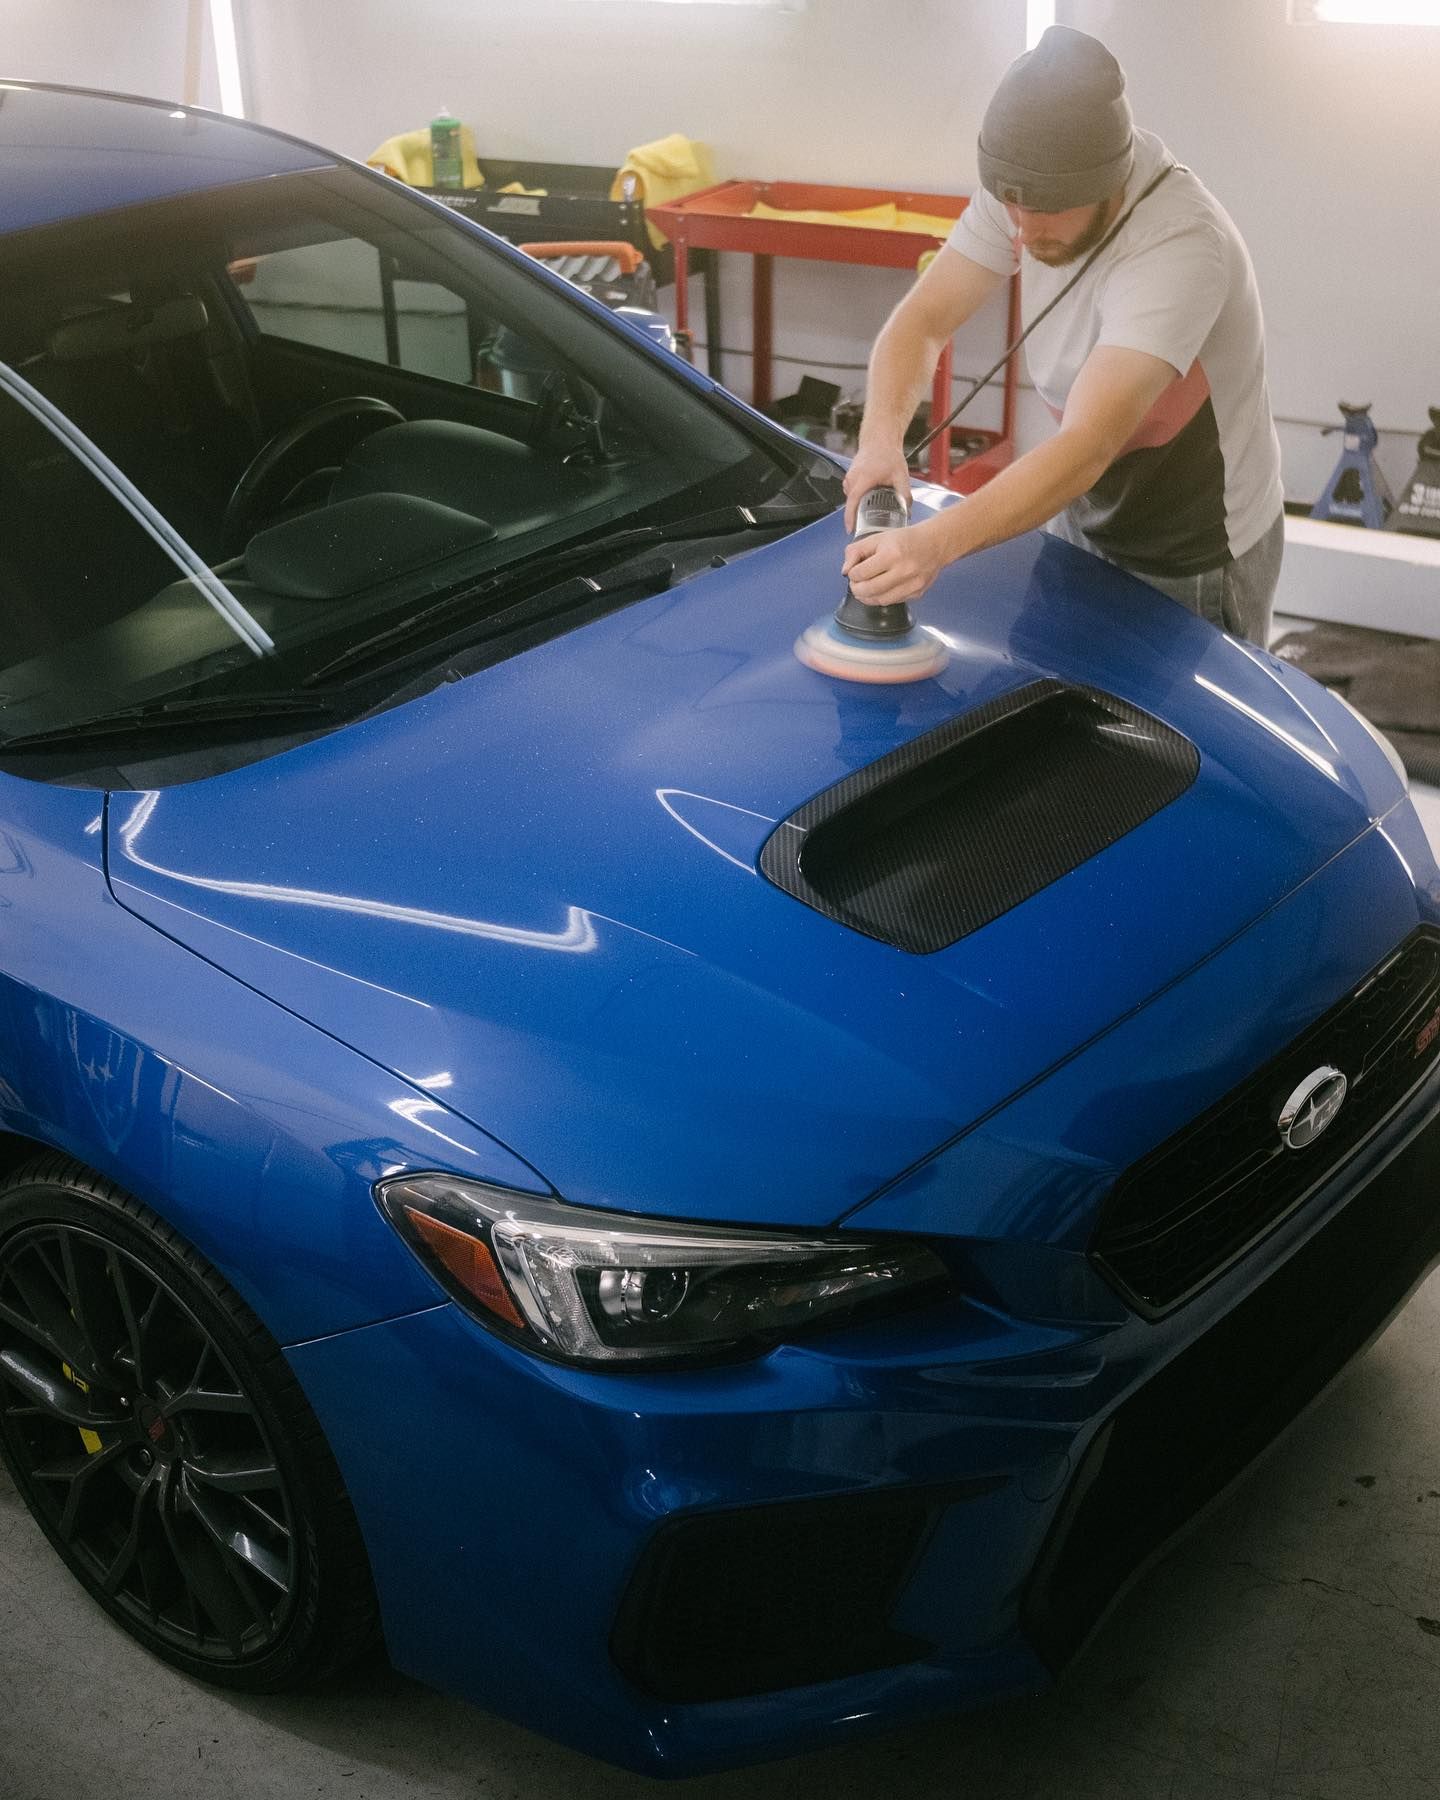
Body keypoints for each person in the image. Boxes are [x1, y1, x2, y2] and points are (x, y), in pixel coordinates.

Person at [842, 25, 1285, 646]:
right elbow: (921, 323)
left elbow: (1088, 443)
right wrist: (879, 443)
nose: (1021, 232)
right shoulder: (1026, 191)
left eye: (1043, 212)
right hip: (1083, 506)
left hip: (1195, 542)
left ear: (1110, 182)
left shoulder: (1180, 246)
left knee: (1172, 737)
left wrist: (935, 544)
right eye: (1011, 207)